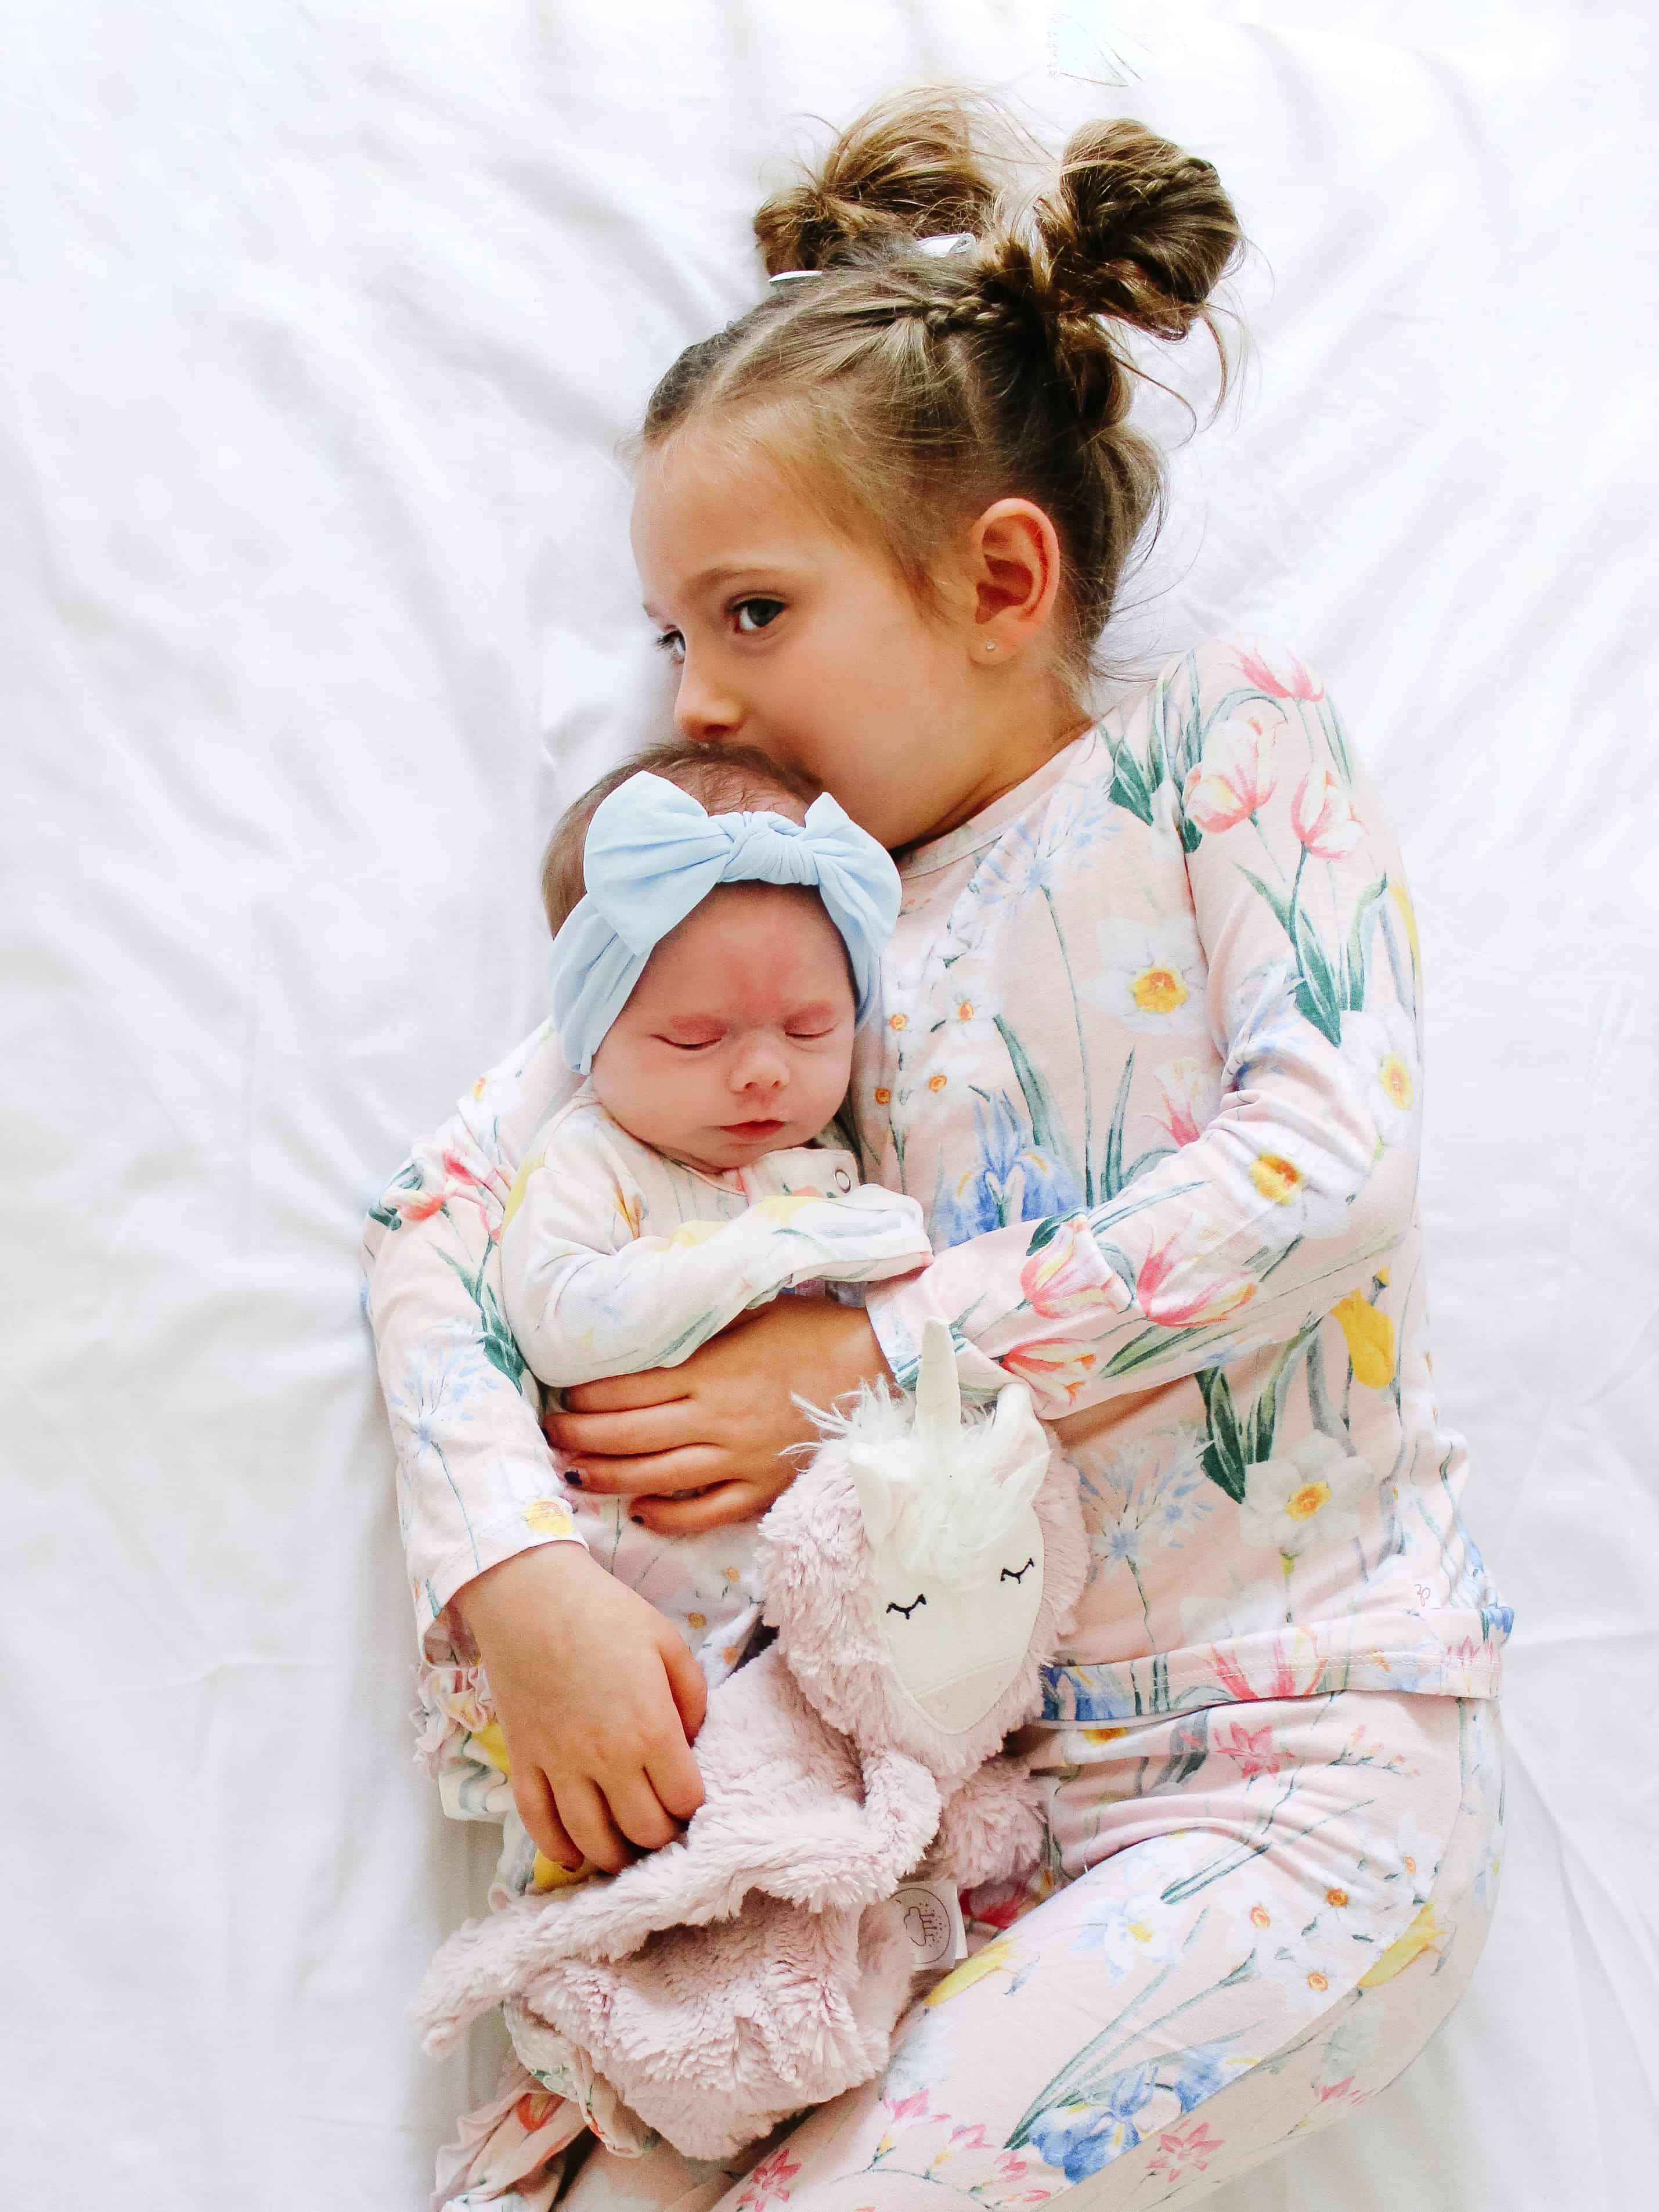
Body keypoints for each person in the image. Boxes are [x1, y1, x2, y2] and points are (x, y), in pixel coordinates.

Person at [366, 87, 1510, 2212]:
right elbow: (434, 1221)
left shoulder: (1213, 746)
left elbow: (1327, 1162)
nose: (695, 698)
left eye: (752, 614)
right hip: (907, 1822)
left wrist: (878, 1353)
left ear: (1000, 574)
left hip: (1296, 1766)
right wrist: (508, 1566)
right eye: (670, 638)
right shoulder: (770, 927)